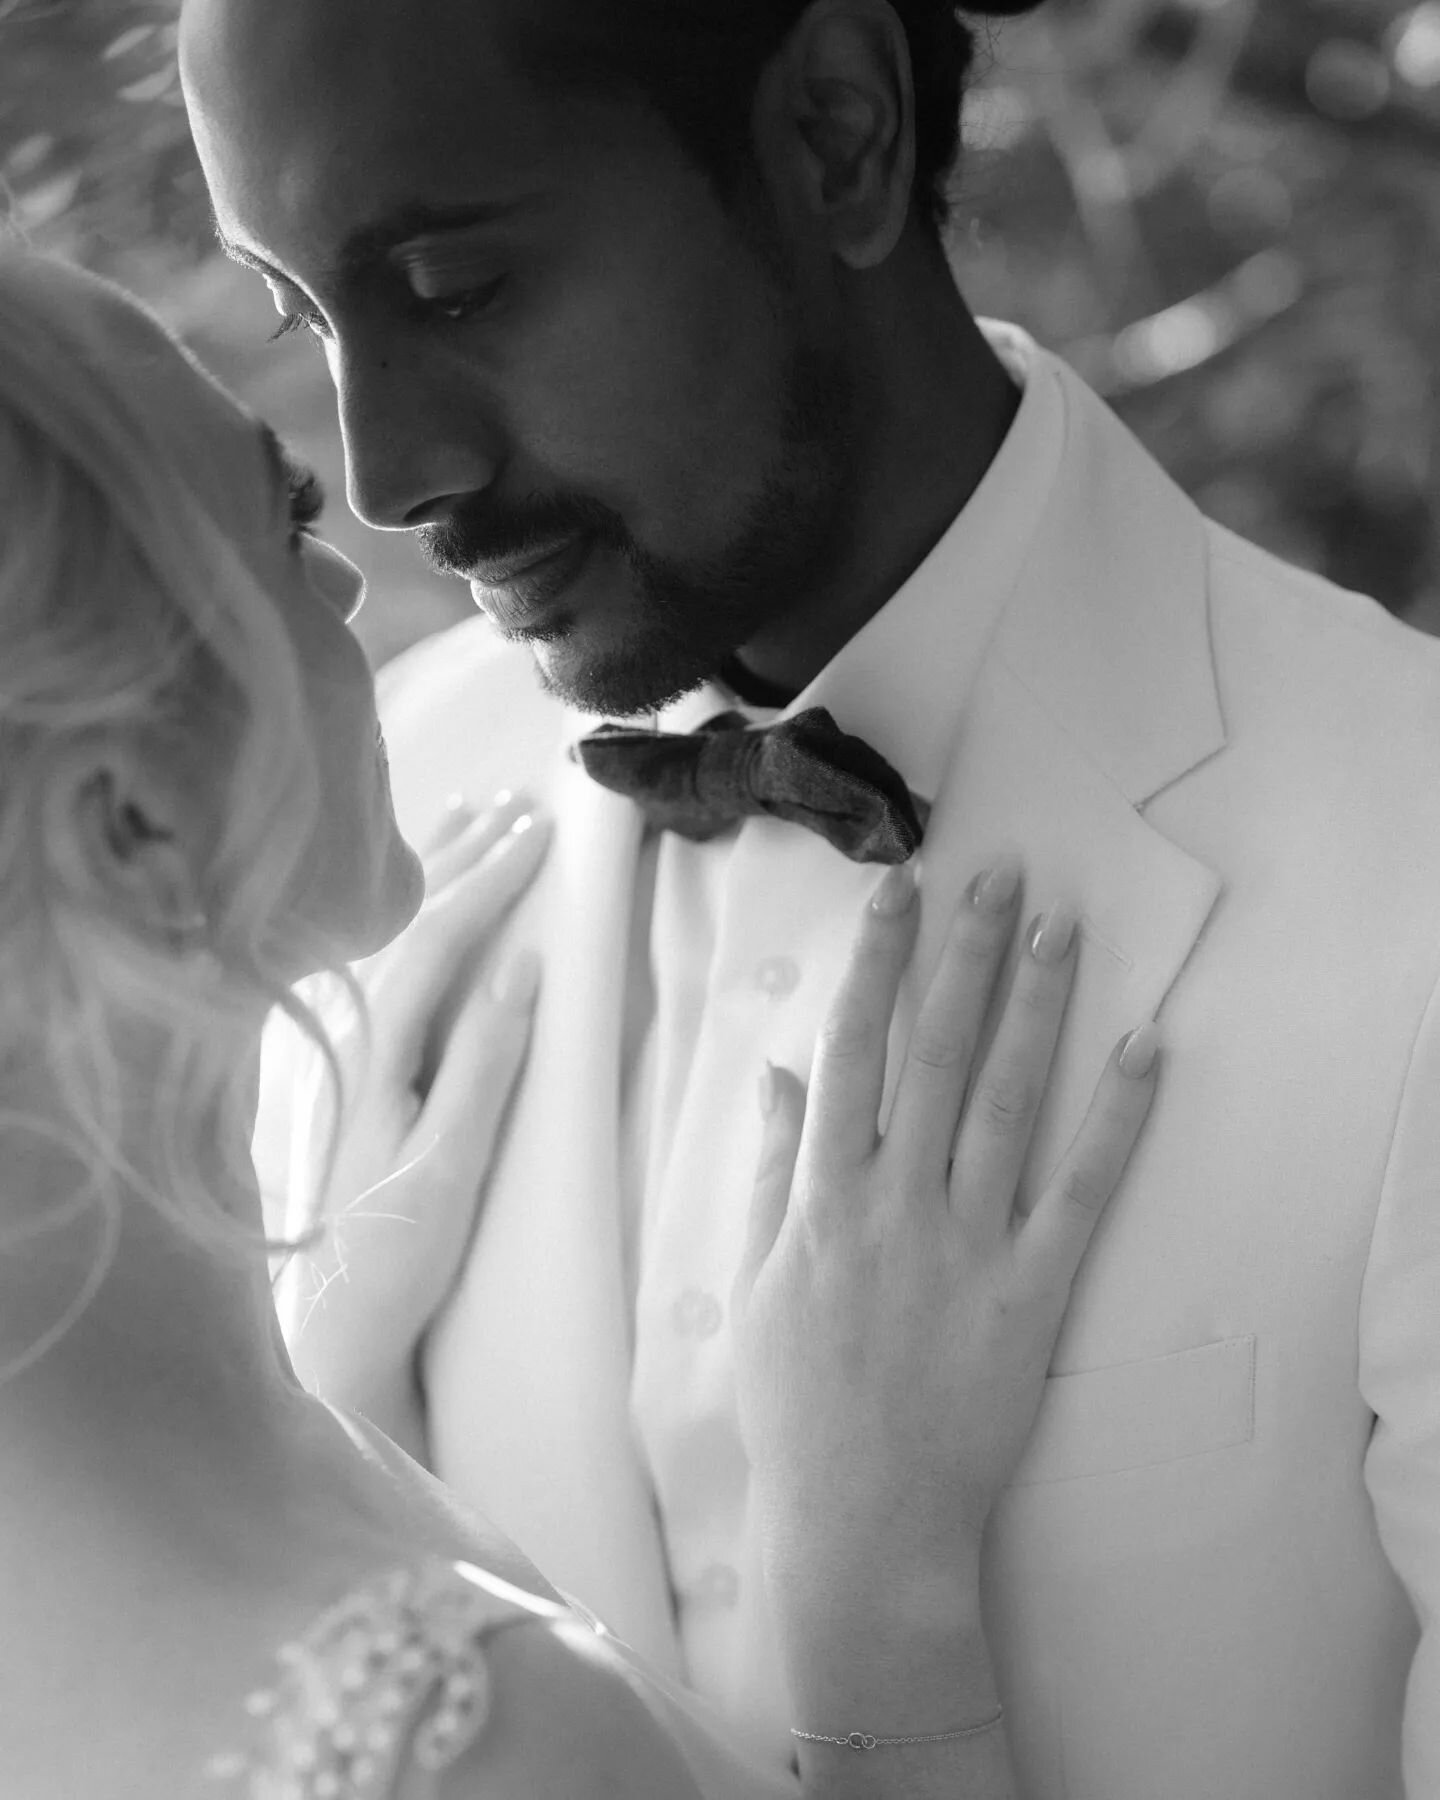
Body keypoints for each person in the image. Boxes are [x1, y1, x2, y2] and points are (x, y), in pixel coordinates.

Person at [182, 0, 1440, 1792]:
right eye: (309, 319)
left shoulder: (1414, 854)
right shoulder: (377, 818)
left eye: (456, 286)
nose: (389, 476)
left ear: (836, 133)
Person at [0, 244, 1161, 1799]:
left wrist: (341, 1394)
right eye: (277, 526)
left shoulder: (266, 1444)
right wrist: (873, 1562)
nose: (358, 553)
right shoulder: (470, 1744)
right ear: (127, 823)